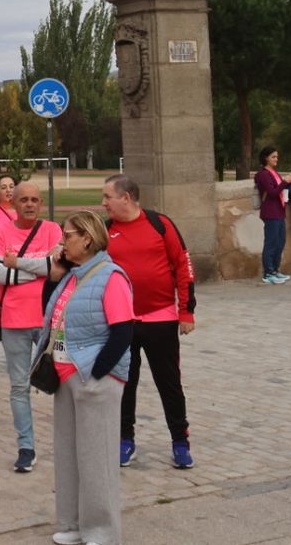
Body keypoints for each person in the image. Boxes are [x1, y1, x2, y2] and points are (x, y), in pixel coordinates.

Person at [34, 209, 134, 545]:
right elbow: (49, 313)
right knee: (69, 455)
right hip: (65, 377)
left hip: (93, 379)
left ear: (87, 239)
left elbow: (123, 331)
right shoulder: (71, 275)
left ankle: (102, 532)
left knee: (97, 459)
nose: (62, 242)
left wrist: (96, 373)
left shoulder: (110, 276)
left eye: (67, 236)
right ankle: (73, 524)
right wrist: (55, 274)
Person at [101, 173, 197, 469]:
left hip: (161, 319)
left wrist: (186, 311)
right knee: (124, 383)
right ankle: (125, 440)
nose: (104, 203)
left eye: (107, 197)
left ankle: (180, 442)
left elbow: (183, 266)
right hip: (121, 322)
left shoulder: (160, 224)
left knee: (169, 384)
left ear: (126, 198)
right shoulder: (105, 231)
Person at [0, 175, 62, 473]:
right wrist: (39, 270)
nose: (29, 204)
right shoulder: (0, 233)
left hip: (49, 321)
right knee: (19, 386)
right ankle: (26, 447)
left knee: (63, 383)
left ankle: (68, 441)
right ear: (13, 203)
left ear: (40, 203)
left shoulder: (52, 230)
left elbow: (58, 268)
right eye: (23, 200)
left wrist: (16, 263)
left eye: (34, 200)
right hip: (14, 320)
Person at [255, 146, 291, 283]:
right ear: (266, 158)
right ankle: (268, 272)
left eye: (276, 156)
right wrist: (285, 182)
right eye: (273, 157)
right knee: (271, 242)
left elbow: (280, 189)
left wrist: (288, 183)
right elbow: (272, 192)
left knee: (280, 241)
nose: (276, 159)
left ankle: (275, 269)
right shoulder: (263, 174)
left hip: (279, 211)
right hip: (270, 211)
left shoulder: (274, 172)